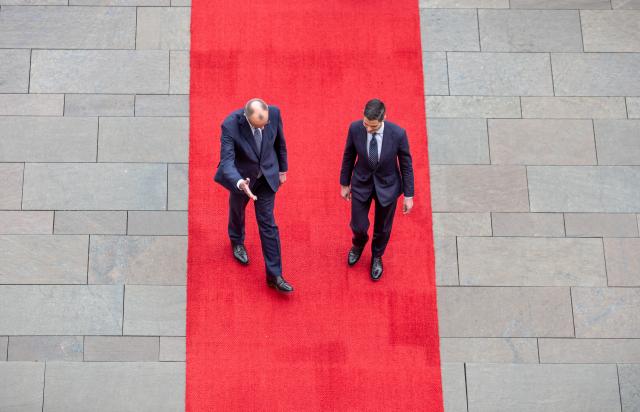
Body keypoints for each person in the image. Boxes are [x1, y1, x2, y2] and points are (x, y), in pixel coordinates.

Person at [214, 98, 293, 293]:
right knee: (237, 211)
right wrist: (240, 183)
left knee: (268, 223)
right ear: (248, 118)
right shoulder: (230, 125)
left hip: (266, 177)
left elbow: (279, 143)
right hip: (243, 178)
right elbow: (226, 162)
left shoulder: (273, 113)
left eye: (266, 122)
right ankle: (237, 241)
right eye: (261, 124)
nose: (266, 125)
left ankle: (274, 275)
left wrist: (282, 170)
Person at [339, 98, 415, 281]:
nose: (368, 129)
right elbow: (349, 155)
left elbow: (406, 165)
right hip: (361, 183)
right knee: (358, 225)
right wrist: (344, 183)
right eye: (366, 123)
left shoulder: (398, 134)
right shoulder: (355, 128)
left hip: (388, 187)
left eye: (372, 126)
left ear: (383, 118)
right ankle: (359, 243)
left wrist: (408, 195)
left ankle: (377, 256)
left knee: (383, 228)